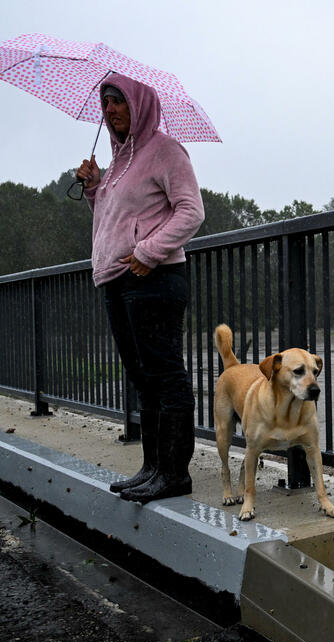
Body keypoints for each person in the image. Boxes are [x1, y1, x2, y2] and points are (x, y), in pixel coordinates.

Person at [75, 74, 205, 503]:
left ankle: (174, 473)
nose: (110, 109)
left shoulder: (165, 151)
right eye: (105, 102)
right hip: (117, 280)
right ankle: (152, 468)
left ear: (140, 103)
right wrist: (95, 189)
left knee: (166, 376)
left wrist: (149, 251)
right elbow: (112, 221)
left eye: (118, 101)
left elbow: (191, 211)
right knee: (143, 378)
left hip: (155, 278)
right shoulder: (115, 164)